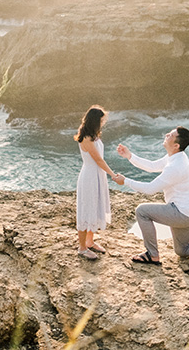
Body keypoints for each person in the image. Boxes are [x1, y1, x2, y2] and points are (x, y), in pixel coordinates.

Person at [113, 127, 189, 267]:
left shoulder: (175, 166)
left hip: (181, 214)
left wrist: (126, 181)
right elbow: (153, 166)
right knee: (182, 250)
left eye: (170, 135)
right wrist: (130, 156)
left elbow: (150, 189)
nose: (166, 135)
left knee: (142, 211)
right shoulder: (177, 156)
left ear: (176, 145)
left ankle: (152, 255)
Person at [74, 105, 115, 260]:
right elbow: (98, 160)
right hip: (90, 176)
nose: (104, 122)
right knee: (86, 209)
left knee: (95, 207)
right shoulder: (86, 138)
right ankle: (82, 247)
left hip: (97, 175)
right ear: (95, 121)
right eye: (102, 120)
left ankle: (90, 241)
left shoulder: (93, 135)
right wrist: (112, 174)